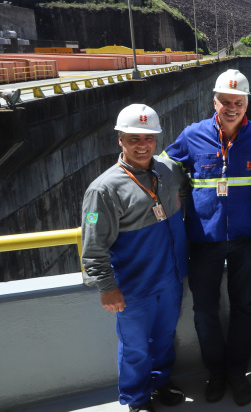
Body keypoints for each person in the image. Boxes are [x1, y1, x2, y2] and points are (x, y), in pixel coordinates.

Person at [162, 69, 251, 406]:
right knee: (204, 311)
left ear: (246, 103)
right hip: (202, 239)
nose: (231, 107)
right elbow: (162, 165)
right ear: (215, 102)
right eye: (225, 101)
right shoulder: (192, 135)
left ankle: (237, 373)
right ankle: (215, 373)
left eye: (237, 102)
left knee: (243, 307)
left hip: (244, 239)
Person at [81, 104, 188, 412]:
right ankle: (136, 400)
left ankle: (160, 382)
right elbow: (93, 244)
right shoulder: (103, 189)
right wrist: (106, 287)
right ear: (120, 140)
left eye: (149, 138)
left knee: (165, 337)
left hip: (169, 279)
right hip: (133, 287)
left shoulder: (167, 172)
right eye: (134, 138)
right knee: (136, 349)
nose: (143, 145)